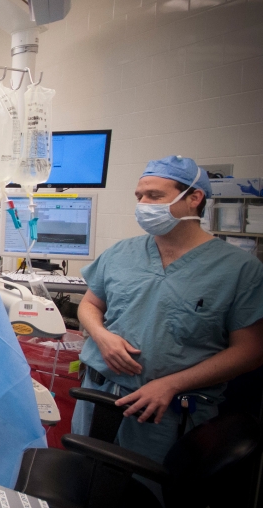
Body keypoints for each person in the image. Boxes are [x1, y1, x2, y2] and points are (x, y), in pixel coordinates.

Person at [73, 155, 263, 463]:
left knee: (147, 501)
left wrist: (171, 383)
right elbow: (90, 305)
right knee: (84, 482)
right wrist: (101, 335)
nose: (144, 204)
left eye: (154, 196)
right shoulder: (122, 252)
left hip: (169, 410)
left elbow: (251, 350)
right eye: (139, 197)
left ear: (194, 198)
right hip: (99, 394)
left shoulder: (239, 269)